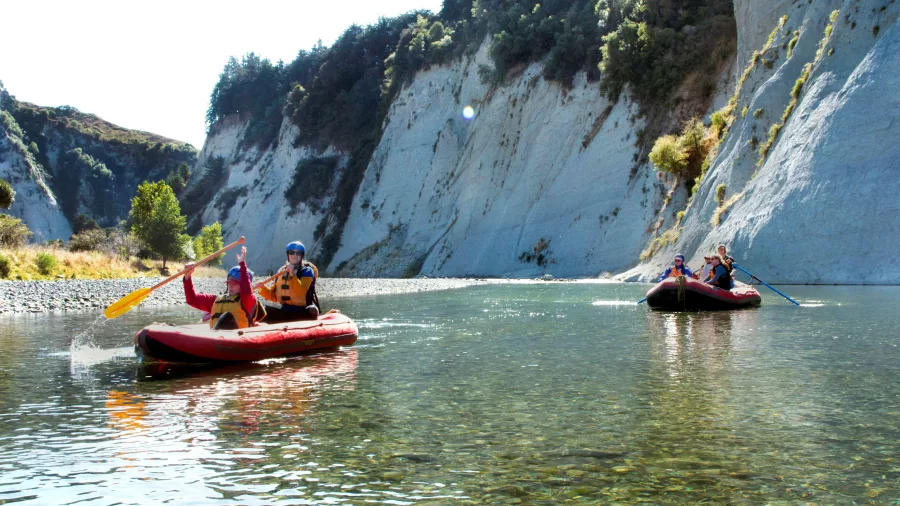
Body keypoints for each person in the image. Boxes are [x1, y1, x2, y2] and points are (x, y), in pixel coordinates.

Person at [183, 246, 266, 330]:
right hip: (216, 336)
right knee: (224, 317)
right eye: (229, 283)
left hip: (237, 337)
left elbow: (246, 289)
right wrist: (187, 277)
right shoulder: (216, 299)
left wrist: (242, 264)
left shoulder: (248, 300)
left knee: (227, 316)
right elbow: (192, 300)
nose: (230, 286)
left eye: (234, 283)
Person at [257, 241, 320, 322]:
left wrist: (292, 275)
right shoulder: (282, 271)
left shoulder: (307, 271)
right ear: (288, 254)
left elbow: (300, 292)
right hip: (286, 310)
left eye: (298, 253)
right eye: (292, 252)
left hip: (304, 311)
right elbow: (273, 297)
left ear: (302, 255)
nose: (295, 255)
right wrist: (263, 288)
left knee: (308, 310)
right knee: (261, 308)